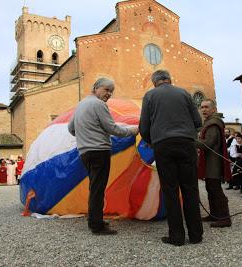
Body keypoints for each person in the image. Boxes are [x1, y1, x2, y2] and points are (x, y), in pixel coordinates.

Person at [139, 70, 203, 246]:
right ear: (170, 79)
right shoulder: (184, 93)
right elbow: (198, 122)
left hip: (163, 145)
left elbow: (144, 127)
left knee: (170, 190)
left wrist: (152, 141)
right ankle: (196, 235)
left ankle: (177, 236)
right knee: (190, 189)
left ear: (154, 82)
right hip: (186, 144)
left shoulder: (150, 96)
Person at [68, 77, 138, 235]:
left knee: (94, 187)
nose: (109, 94)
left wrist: (85, 135)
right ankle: (97, 226)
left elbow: (71, 128)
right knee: (98, 189)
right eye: (107, 90)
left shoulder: (80, 105)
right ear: (96, 88)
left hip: (85, 152)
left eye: (111, 91)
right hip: (99, 151)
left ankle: (94, 219)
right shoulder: (99, 105)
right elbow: (113, 129)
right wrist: (133, 130)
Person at [196, 99, 232, 227]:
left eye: (206, 107)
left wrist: (191, 140)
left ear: (213, 109)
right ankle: (215, 214)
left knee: (215, 189)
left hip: (213, 163)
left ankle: (224, 218)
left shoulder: (213, 124)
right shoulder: (209, 122)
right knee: (210, 188)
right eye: (202, 107)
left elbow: (208, 144)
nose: (203, 110)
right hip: (210, 162)